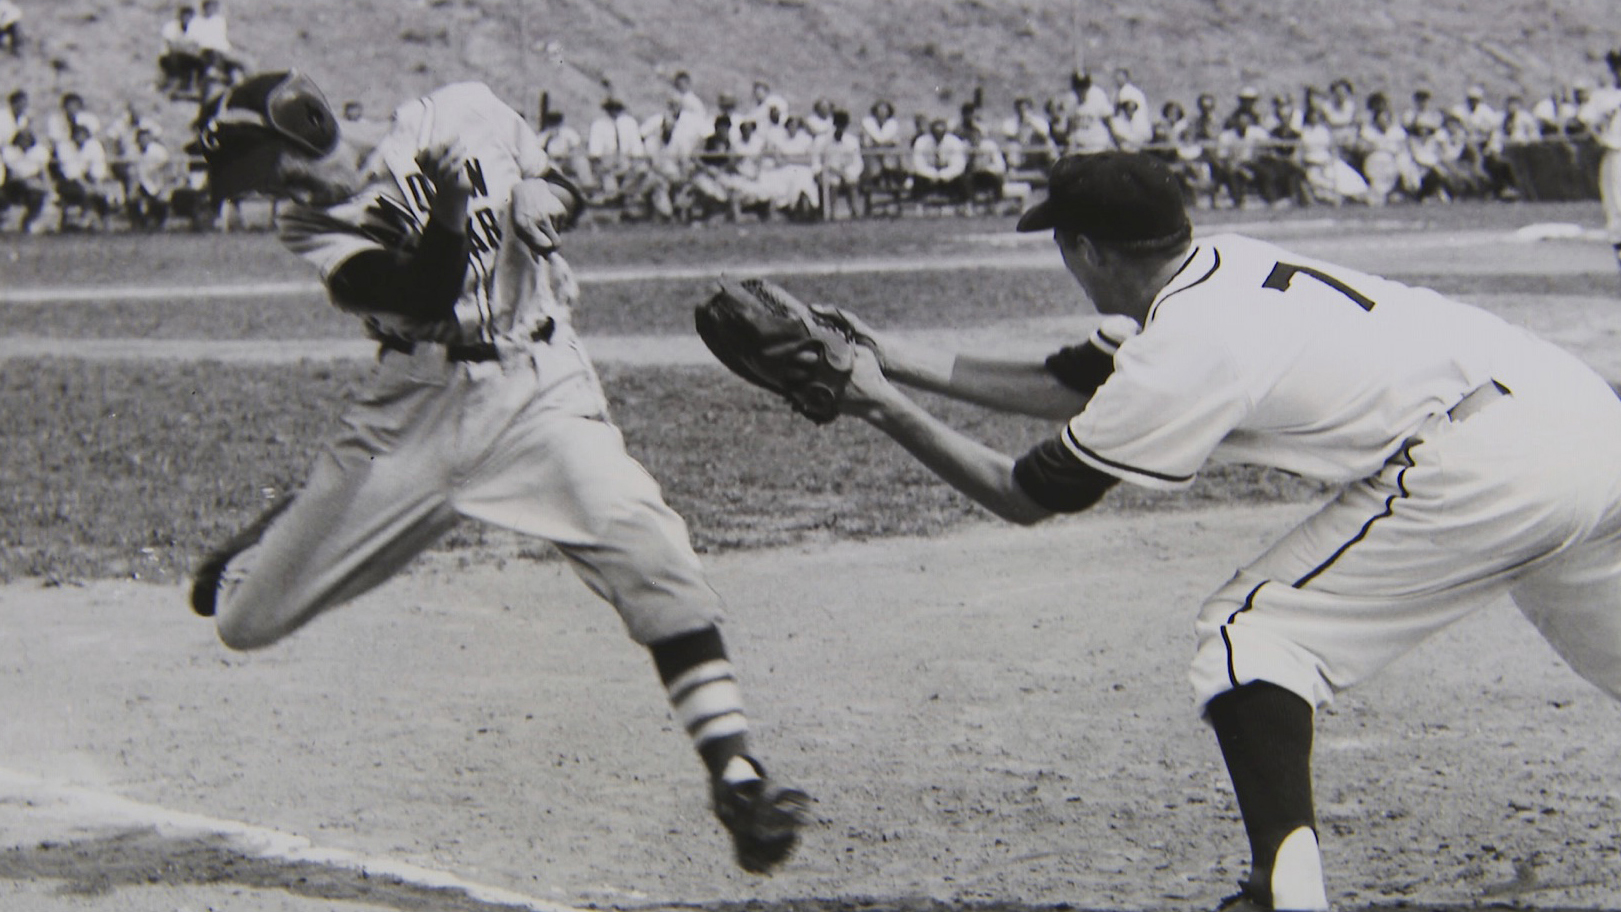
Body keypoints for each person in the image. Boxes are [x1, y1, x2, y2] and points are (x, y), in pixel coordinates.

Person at [820, 149, 1621, 912]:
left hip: (1491, 464)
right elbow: (1079, 381)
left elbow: (1026, 494)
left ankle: (1284, 893)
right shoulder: (1224, 263)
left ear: (1085, 250)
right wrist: (885, 356)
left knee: (1255, 636)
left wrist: (879, 407)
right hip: (1583, 417)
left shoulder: (1185, 345)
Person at [184, 69, 809, 874]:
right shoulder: (309, 225)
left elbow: (558, 184)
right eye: (249, 182)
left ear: (303, 125)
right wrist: (449, 210)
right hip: (416, 412)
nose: (267, 191)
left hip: (536, 387)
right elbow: (423, 293)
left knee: (641, 538)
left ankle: (737, 777)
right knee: (245, 622)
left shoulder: (464, 110)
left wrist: (548, 197)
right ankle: (282, 529)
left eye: (263, 166)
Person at [1579, 49, 1621, 270]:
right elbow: (1584, 120)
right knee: (1616, 208)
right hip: (1615, 155)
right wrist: (1597, 135)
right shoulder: (1604, 96)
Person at [1, 125, 51, 232]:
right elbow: (10, 173)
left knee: (38, 195)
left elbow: (43, 172)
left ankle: (29, 221)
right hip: (13, 184)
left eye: (27, 139)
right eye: (22, 139)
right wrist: (26, 181)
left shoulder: (39, 152)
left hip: (32, 183)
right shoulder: (9, 152)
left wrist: (46, 186)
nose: (24, 142)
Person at [158, 5, 206, 96]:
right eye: (184, 16)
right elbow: (171, 46)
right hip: (169, 57)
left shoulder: (194, 29)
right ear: (179, 16)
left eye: (189, 17)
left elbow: (196, 46)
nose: (186, 19)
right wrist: (186, 47)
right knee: (175, 58)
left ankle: (197, 87)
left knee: (201, 63)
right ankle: (170, 83)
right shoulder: (171, 27)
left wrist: (188, 48)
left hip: (184, 56)